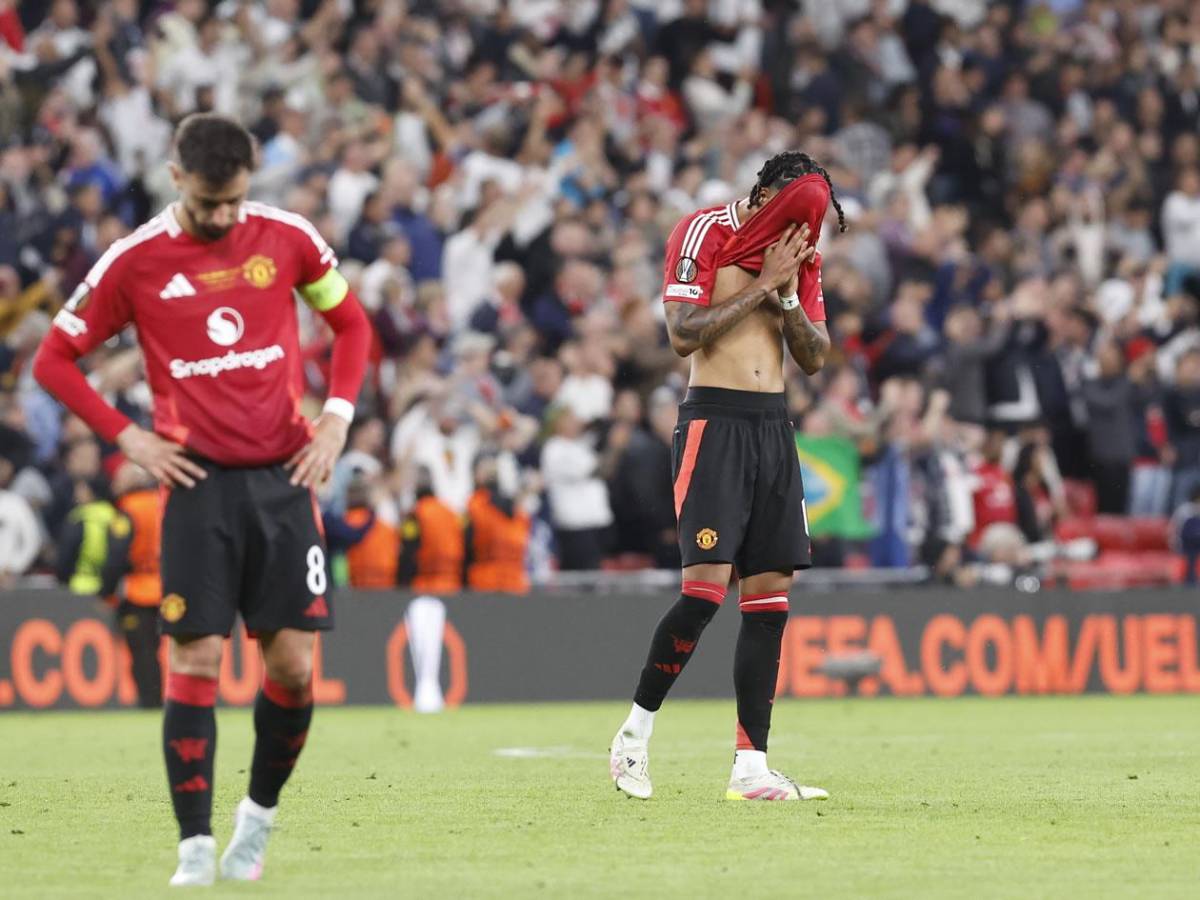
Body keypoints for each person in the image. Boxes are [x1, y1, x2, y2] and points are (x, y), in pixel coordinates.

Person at [32, 114, 371, 886]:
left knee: (293, 668)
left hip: (286, 478)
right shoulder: (135, 261)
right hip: (196, 484)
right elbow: (54, 359)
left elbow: (351, 324)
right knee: (195, 657)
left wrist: (336, 418)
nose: (222, 218)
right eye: (208, 203)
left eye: (234, 201)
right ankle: (193, 845)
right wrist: (130, 438)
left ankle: (258, 818)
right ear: (176, 176)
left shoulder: (287, 237)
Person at [610, 151, 844, 803]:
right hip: (714, 422)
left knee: (770, 603)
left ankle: (751, 767)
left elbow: (815, 356)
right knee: (704, 593)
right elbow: (684, 334)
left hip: (774, 426)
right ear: (763, 195)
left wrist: (788, 292)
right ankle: (633, 736)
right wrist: (763, 284)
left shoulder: (800, 254)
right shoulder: (703, 231)